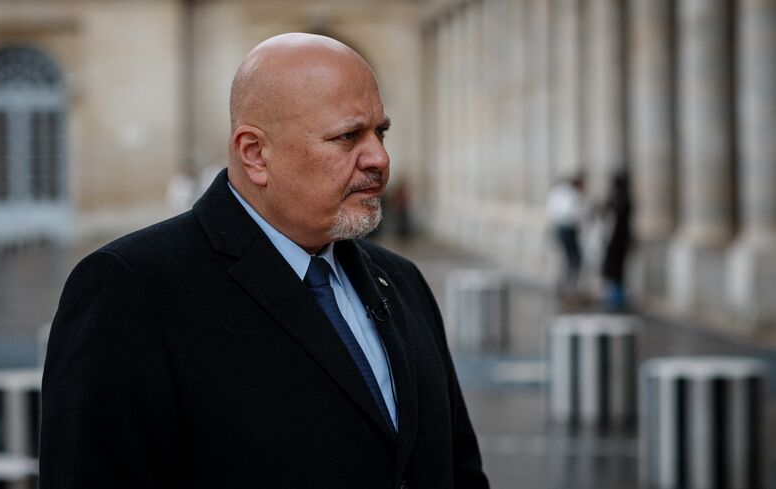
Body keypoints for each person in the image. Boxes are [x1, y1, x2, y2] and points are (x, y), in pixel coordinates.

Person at [40, 33, 490, 489]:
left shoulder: (402, 280)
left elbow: (459, 471)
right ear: (255, 153)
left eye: (381, 132)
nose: (379, 157)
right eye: (348, 136)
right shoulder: (131, 288)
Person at [546, 174, 587, 303]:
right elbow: (573, 214)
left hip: (562, 229)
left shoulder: (560, 194)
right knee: (573, 260)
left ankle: (565, 289)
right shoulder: (571, 196)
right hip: (567, 230)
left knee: (569, 260)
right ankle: (569, 290)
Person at [600, 170, 633, 311]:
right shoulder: (626, 199)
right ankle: (618, 299)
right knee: (619, 271)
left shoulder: (613, 200)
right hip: (622, 241)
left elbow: (607, 221)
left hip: (613, 241)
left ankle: (614, 299)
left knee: (613, 270)